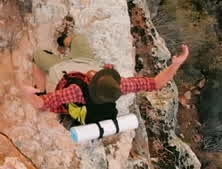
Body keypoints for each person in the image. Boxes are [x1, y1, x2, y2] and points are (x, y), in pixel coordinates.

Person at [24, 36, 190, 125]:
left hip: (63, 72)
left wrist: (29, 93)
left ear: (91, 80)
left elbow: (41, 104)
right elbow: (156, 83)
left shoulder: (75, 91)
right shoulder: (119, 86)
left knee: (39, 55)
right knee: (79, 40)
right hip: (85, 62)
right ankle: (64, 41)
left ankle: (41, 86)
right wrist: (176, 65)